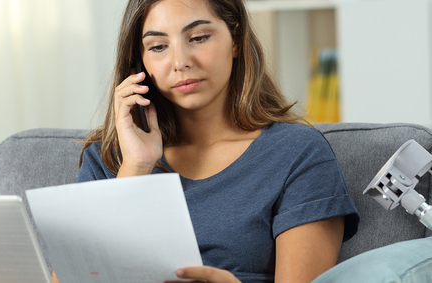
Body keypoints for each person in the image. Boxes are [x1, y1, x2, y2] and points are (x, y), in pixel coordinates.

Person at [76, 0, 360, 282]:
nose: (180, 62)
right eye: (158, 47)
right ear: (140, 61)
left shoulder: (298, 154)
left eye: (199, 38)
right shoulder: (109, 159)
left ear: (235, 40)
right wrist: (135, 169)